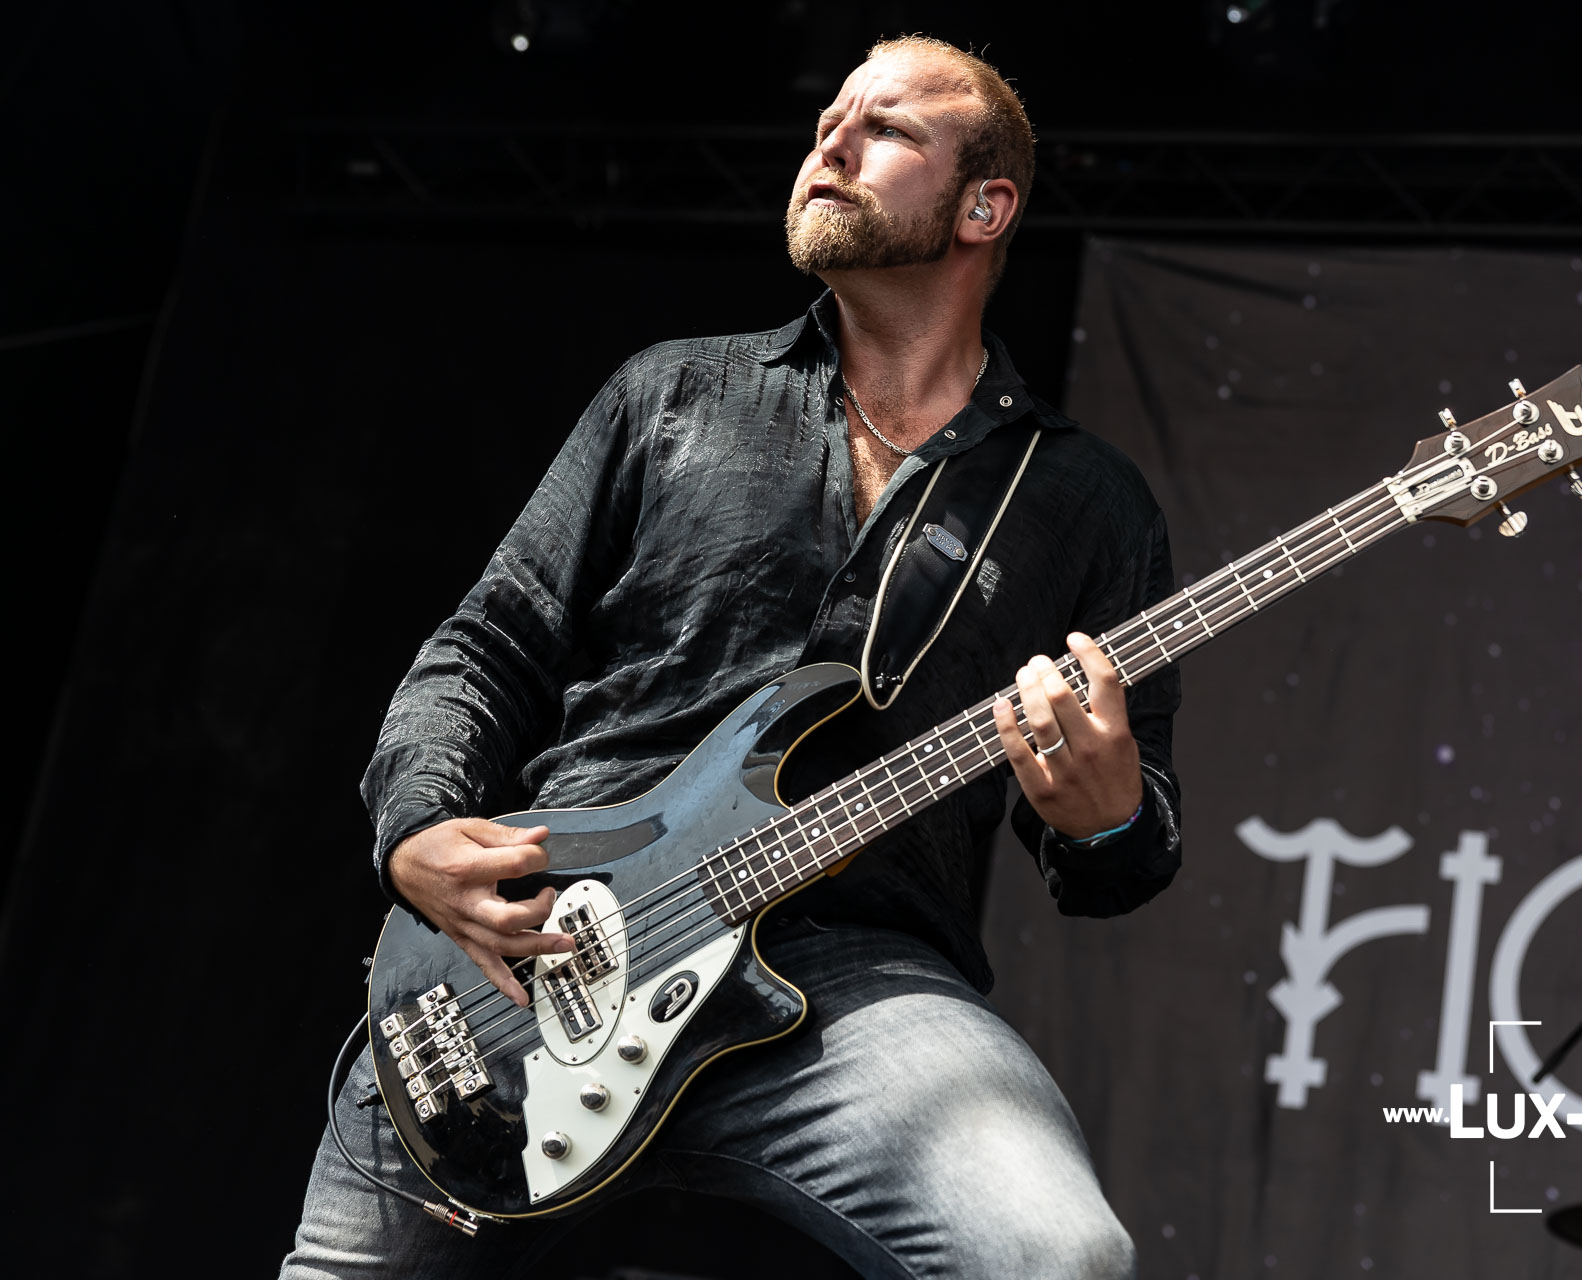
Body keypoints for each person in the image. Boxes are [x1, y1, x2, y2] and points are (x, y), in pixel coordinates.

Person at [283, 35, 1181, 1280]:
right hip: (547, 934)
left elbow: (1124, 853)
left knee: (1060, 1253)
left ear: (985, 207)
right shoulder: (673, 393)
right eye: (828, 120)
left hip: (855, 980)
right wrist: (418, 829)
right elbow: (485, 646)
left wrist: (1106, 812)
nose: (831, 141)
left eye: (885, 128)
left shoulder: (1085, 500)